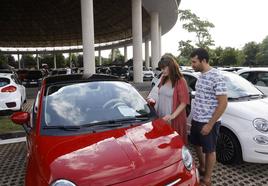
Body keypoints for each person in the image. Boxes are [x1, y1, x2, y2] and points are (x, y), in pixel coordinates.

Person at [189, 48, 228, 186]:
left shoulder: (217, 76)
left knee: (210, 150)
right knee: (196, 145)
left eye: (194, 62)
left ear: (203, 60)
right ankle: (203, 166)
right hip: (197, 119)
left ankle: (208, 178)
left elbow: (223, 103)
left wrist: (210, 124)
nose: (192, 65)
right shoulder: (200, 75)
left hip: (208, 122)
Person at [147, 54, 190, 144]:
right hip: (162, 117)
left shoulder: (180, 81)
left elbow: (184, 102)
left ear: (171, 66)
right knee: (162, 143)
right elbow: (157, 94)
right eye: (161, 69)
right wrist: (152, 100)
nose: (162, 71)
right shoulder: (163, 78)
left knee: (174, 145)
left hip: (173, 119)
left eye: (164, 68)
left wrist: (172, 116)